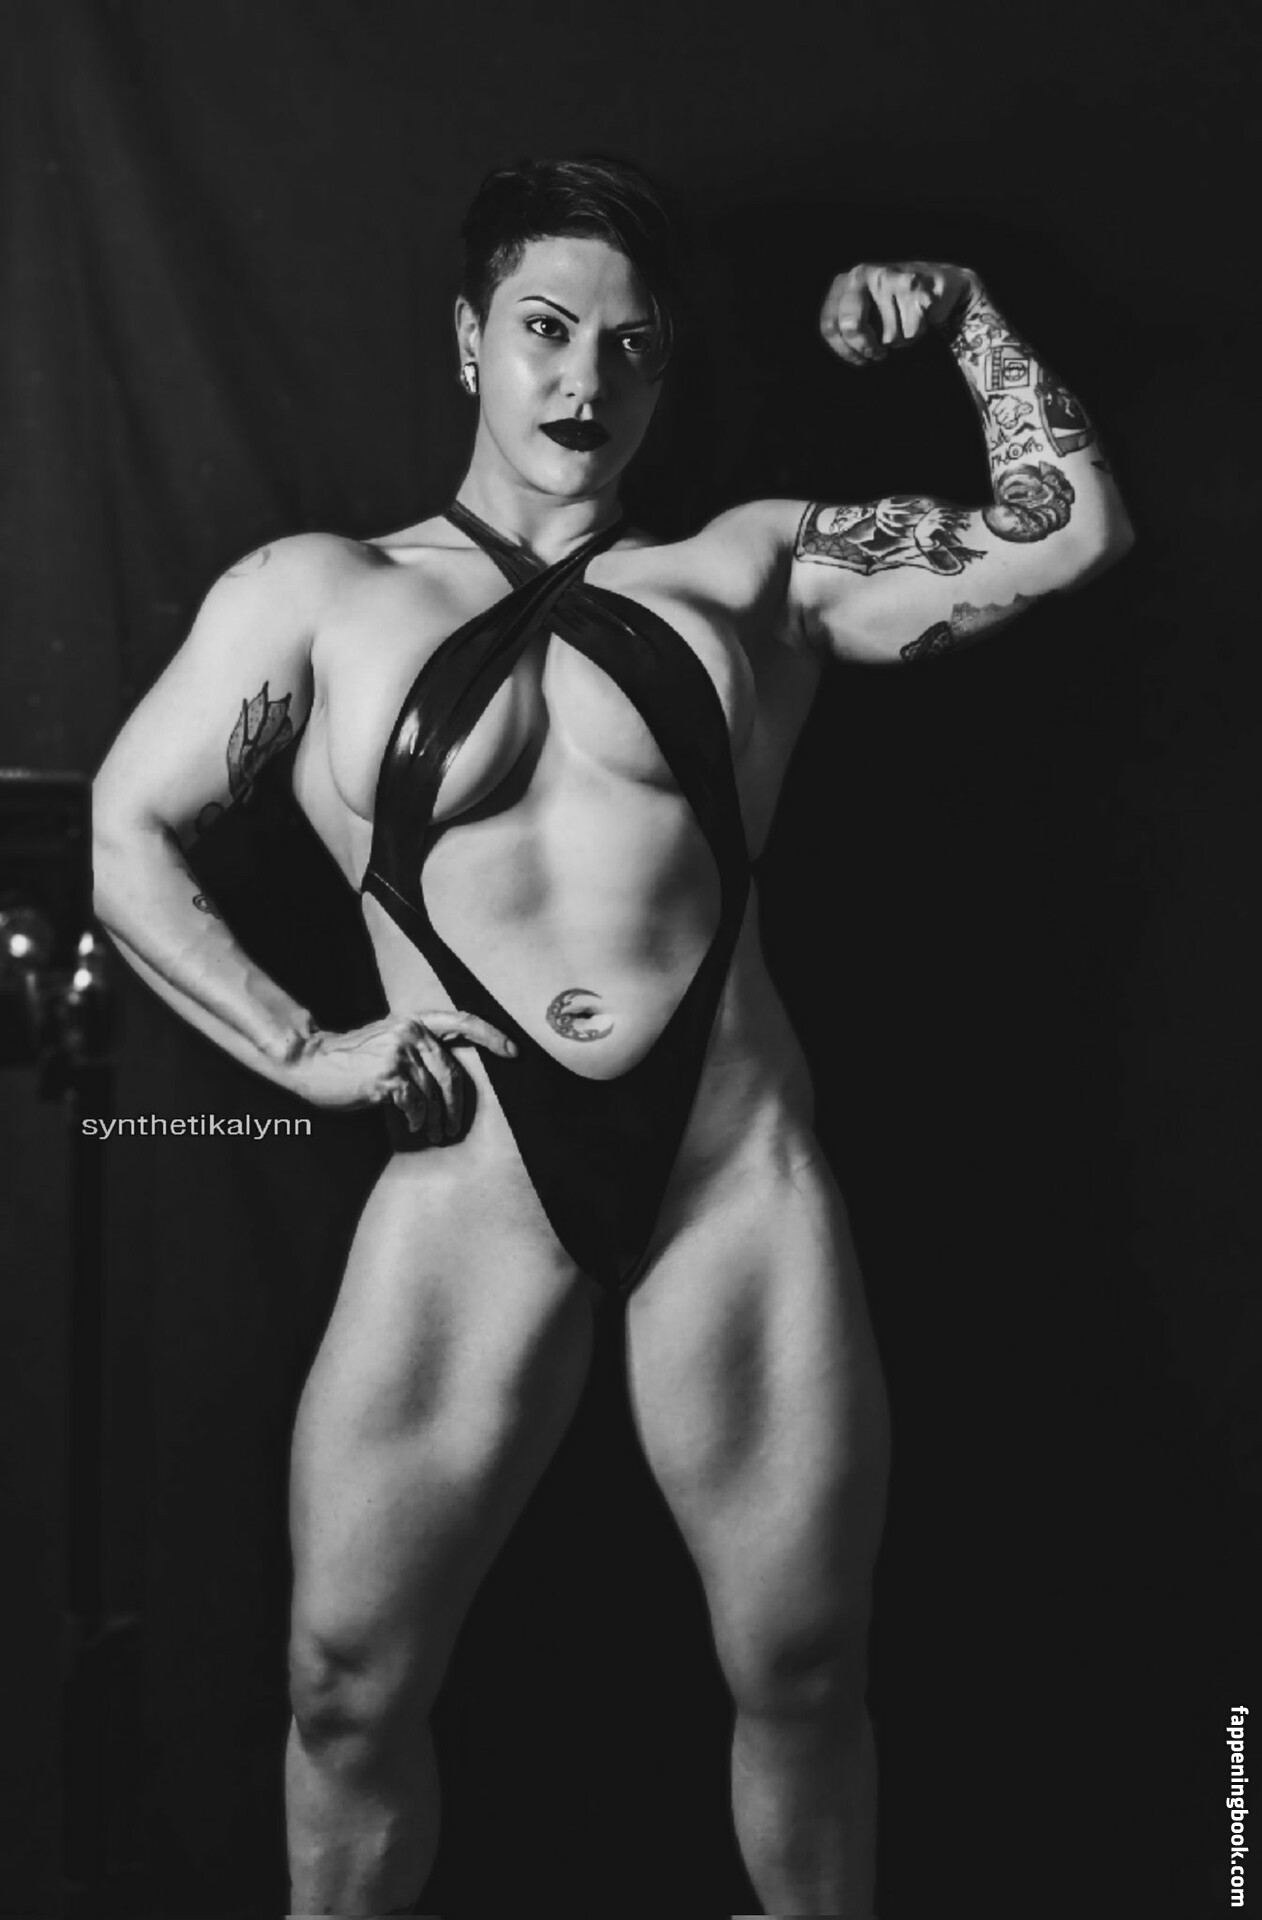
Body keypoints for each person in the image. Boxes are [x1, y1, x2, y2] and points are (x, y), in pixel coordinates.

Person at [91, 154, 1134, 1919]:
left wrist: (962, 317)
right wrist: (302, 1049)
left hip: (730, 1175)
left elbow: (1071, 532)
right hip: (473, 1194)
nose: (586, 381)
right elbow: (128, 832)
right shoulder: (320, 594)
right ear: (468, 343)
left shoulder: (751, 570)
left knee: (803, 1668)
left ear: (667, 366)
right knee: (343, 1686)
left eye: (632, 345)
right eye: (546, 331)